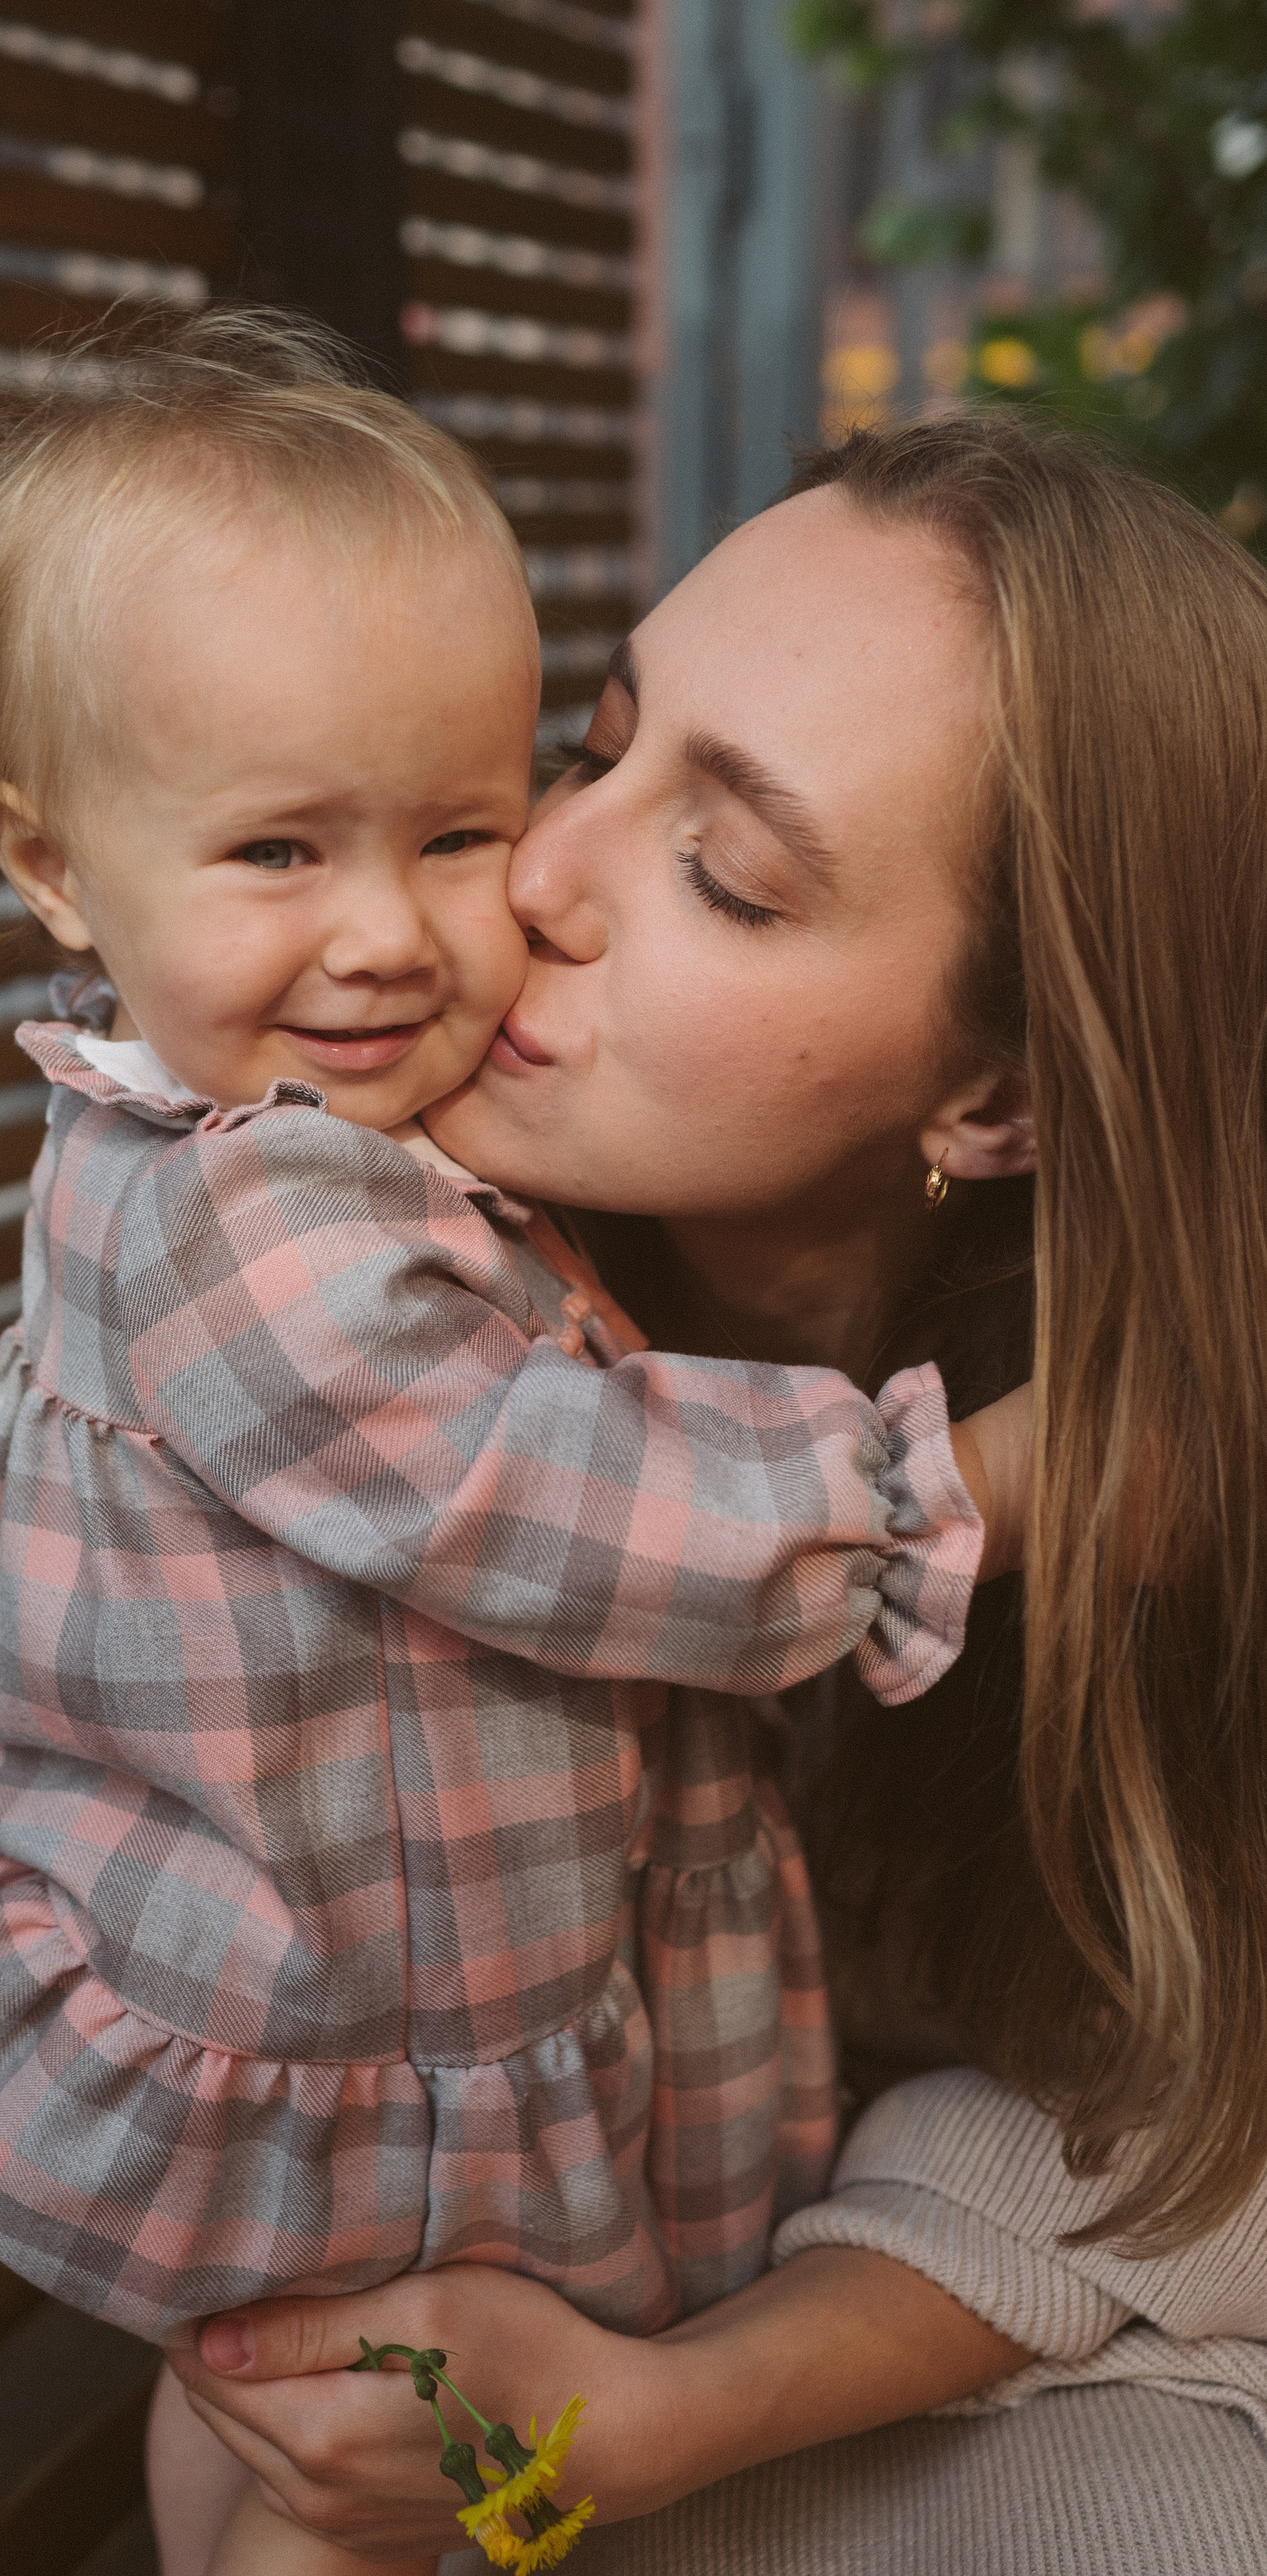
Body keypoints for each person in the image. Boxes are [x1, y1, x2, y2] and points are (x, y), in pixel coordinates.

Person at [0, 314, 1029, 2576]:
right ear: (53, 865)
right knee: (330, 2489)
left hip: (444, 2063)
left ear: (1006, 1092)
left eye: (461, 821)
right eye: (281, 845)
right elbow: (558, 1495)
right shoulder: (236, 1215)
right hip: (345, 2095)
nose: (415, 929)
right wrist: (1007, 1480)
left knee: (316, 2474)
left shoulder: (368, 1158)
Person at [162, 414, 1267, 2570]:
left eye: (730, 874)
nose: (541, 877)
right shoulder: (355, 1307)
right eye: (589, 745)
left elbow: (1193, 2134)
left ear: (1003, 1093)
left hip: (1064, 2339)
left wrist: (664, 2414)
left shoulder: (1166, 1464)